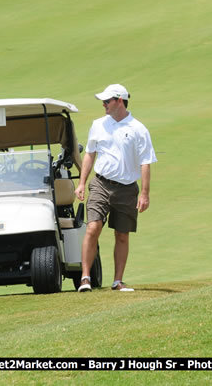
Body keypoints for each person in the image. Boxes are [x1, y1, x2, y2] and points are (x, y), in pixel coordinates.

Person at [75, 84, 156, 292]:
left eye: (107, 101)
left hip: (127, 187)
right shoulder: (98, 125)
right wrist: (82, 182)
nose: (103, 105)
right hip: (101, 183)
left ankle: (117, 281)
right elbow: (90, 154)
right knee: (93, 227)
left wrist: (145, 194)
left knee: (122, 234)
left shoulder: (138, 129)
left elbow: (146, 162)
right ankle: (85, 278)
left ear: (119, 101)